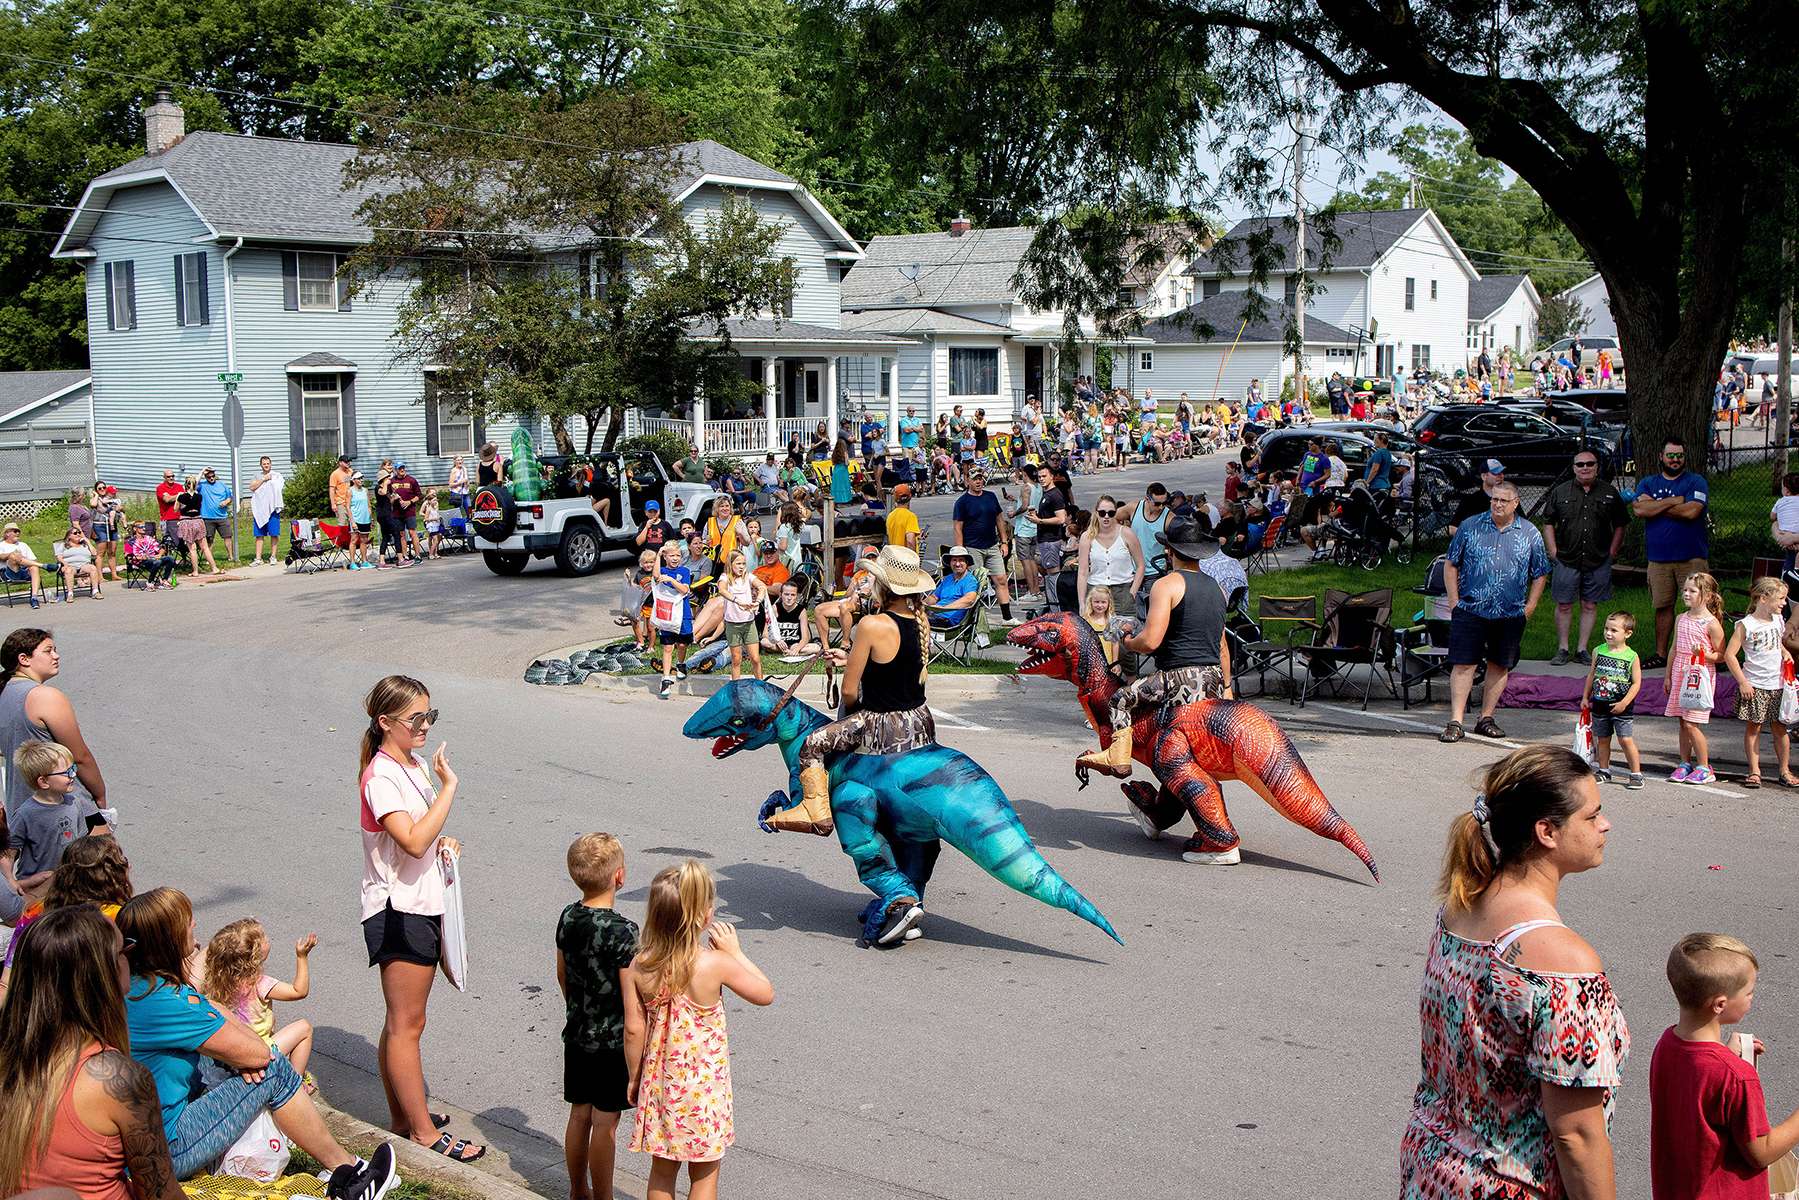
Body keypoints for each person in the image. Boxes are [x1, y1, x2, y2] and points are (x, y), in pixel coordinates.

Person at [1399, 744, 1626, 1199]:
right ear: (1547, 831)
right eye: (1591, 815)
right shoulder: (1564, 962)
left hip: (1434, 1167)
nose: (1605, 824)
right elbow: (1577, 1134)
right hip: (1510, 1185)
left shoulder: (1460, 907)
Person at [119, 889, 401, 1194]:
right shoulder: (168, 1003)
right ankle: (351, 1175)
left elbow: (202, 989)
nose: (194, 926)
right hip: (166, 1149)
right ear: (169, 939)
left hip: (133, 1142)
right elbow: (258, 1054)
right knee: (273, 1068)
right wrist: (246, 1055)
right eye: (188, 922)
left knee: (241, 1063)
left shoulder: (133, 987)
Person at [357, 676, 482, 1162]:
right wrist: (450, 787)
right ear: (385, 723)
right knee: (408, 1025)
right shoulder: (381, 776)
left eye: (430, 715)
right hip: (397, 911)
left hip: (419, 903)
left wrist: (443, 844)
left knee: (400, 1023)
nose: (425, 725)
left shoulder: (408, 765)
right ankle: (424, 1134)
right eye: (416, 719)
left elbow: (421, 839)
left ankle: (402, 1116)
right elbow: (410, 840)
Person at [0, 904, 188, 1200]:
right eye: (124, 949)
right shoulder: (117, 1079)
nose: (129, 957)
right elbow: (161, 1194)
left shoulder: (9, 1063)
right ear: (102, 972)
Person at [762, 547, 937, 853]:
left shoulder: (872, 624)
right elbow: (894, 666)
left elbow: (848, 692)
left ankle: (813, 811)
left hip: (882, 724)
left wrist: (851, 718)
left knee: (812, 744)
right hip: (918, 721)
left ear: (883, 586)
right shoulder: (921, 621)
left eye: (873, 580)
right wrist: (849, 656)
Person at [624, 861, 774, 1199]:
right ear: (701, 916)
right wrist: (736, 953)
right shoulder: (714, 964)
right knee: (704, 1176)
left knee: (661, 1173)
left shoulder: (640, 965)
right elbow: (765, 993)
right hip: (703, 1093)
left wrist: (635, 1077)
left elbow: (634, 1029)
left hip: (661, 1084)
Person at [1075, 519, 1231, 807]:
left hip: (1179, 677)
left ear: (1169, 551)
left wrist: (1127, 641)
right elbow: (1222, 646)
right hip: (1212, 678)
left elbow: (1151, 642)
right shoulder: (1217, 588)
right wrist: (1227, 688)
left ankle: (1118, 756)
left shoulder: (1167, 584)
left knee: (1121, 699)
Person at [1651, 933, 1799, 1199]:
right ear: (1720, 1004)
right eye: (1749, 992)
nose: (1752, 998)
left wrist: (1725, 1054)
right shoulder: (1736, 1076)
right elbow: (1761, 1151)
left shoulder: (1667, 1044)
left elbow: (1698, 1083)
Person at [557, 834, 640, 1200]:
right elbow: (630, 995)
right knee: (605, 1122)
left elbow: (562, 973)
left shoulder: (568, 916)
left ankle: (578, 1190)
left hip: (577, 1032)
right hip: (612, 1040)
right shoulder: (624, 932)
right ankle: (603, 1195)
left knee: (579, 1114)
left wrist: (577, 1006)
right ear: (619, 876)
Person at [1438, 482, 1549, 744]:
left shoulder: (1530, 533)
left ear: (1515, 503)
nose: (1497, 504)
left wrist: (1530, 606)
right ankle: (1456, 721)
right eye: (1494, 499)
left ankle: (1486, 718)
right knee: (1464, 664)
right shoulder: (1470, 526)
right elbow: (1451, 564)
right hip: (1470, 607)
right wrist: (1454, 601)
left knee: (1500, 664)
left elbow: (1541, 572)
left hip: (1510, 613)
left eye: (1503, 500)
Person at [2, 630, 106, 820]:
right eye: (48, 651)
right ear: (24, 659)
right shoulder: (45, 696)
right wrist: (100, 794)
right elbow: (80, 756)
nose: (56, 656)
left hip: (21, 809)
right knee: (101, 850)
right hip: (65, 806)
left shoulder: (3, 693)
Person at [201, 919, 317, 1079]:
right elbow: (299, 991)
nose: (268, 939)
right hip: (258, 1051)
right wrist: (302, 957)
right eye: (264, 938)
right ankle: (295, 1083)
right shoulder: (259, 983)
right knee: (304, 1028)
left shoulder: (215, 981)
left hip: (230, 1052)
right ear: (254, 954)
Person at [1543, 451, 1629, 666]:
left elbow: (1620, 524)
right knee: (1564, 605)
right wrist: (1553, 550)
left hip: (1598, 558)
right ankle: (1563, 648)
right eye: (1580, 464)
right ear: (1573, 467)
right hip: (1566, 558)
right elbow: (1547, 522)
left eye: (1590, 464)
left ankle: (1582, 649)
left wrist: (1612, 551)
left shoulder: (1609, 493)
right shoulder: (1560, 491)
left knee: (1590, 605)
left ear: (1597, 467)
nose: (1585, 467)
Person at [1634, 440, 1710, 668]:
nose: (1675, 460)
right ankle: (1661, 654)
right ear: (1661, 456)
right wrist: (1673, 501)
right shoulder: (1648, 482)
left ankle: (1703, 654)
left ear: (1684, 457)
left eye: (1679, 456)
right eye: (1670, 455)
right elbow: (1639, 509)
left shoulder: (1696, 481)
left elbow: (1691, 511)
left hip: (1692, 557)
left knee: (1700, 605)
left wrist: (1655, 506)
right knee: (1663, 606)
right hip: (1658, 559)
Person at [6, 742, 107, 912]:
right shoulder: (26, 814)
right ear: (44, 781)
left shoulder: (75, 802)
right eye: (67, 772)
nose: (73, 775)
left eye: (73, 768)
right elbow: (8, 852)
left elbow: (81, 843)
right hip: (38, 891)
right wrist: (11, 881)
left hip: (70, 885)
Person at [1724, 577, 1791, 789]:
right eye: (1780, 598)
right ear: (1764, 598)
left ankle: (1784, 770)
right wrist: (1743, 682)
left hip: (1778, 684)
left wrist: (1785, 651)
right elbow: (1730, 655)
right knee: (1754, 728)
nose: (1784, 603)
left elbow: (1777, 643)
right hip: (1755, 684)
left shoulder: (1778, 620)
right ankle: (1754, 771)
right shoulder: (1746, 625)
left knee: (1781, 728)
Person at [1664, 573, 1726, 785]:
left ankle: (1704, 766)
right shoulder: (1681, 618)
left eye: (1692, 591)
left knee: (1692, 723)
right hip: (1680, 672)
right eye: (1685, 590)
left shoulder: (1711, 624)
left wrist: (1703, 654)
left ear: (1707, 596)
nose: (1686, 594)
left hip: (1698, 676)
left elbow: (1721, 655)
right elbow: (1674, 648)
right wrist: (1668, 676)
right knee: (1683, 721)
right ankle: (1684, 763)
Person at [1582, 611, 1644, 790]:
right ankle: (1604, 770)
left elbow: (1636, 683)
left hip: (1622, 706)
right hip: (1600, 703)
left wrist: (1625, 702)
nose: (1608, 633)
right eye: (1606, 629)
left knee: (1625, 739)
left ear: (1628, 633)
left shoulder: (1631, 656)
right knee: (1602, 739)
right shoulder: (1598, 651)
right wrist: (1586, 697)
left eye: (1614, 630)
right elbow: (1592, 675)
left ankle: (1636, 773)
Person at [953, 469, 1012, 620]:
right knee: (976, 584)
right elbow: (958, 527)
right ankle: (975, 619)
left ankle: (1007, 617)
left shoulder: (990, 497)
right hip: (972, 547)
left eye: (981, 478)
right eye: (975, 479)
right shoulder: (962, 502)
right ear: (968, 481)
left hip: (992, 545)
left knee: (1001, 579)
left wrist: (1004, 542)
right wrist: (960, 552)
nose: (979, 482)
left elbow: (999, 520)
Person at [1075, 495, 1145, 621]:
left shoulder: (1127, 533)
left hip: (1123, 591)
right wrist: (1082, 603)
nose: (1106, 516)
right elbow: (1082, 572)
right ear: (1096, 513)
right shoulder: (1087, 537)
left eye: (1111, 513)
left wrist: (1132, 592)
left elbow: (1140, 565)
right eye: (1102, 513)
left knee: (1124, 634)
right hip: (1096, 591)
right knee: (1097, 635)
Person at [718, 550, 770, 682]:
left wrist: (757, 601)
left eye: (744, 563)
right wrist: (737, 601)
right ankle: (736, 688)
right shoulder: (725, 577)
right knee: (736, 659)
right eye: (738, 563)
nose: (741, 567)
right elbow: (722, 590)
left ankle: (760, 685)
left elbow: (762, 586)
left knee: (755, 658)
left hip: (748, 623)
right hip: (732, 624)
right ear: (731, 564)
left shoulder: (748, 576)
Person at [1020, 466, 1069, 605]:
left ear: (1052, 476)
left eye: (1044, 476)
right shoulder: (1046, 493)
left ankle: (1056, 604)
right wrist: (1037, 516)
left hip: (1051, 540)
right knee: (1048, 572)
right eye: (1039, 476)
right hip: (1044, 539)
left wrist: (1039, 520)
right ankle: (1052, 603)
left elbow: (1061, 519)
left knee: (1053, 574)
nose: (1041, 479)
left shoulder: (1055, 494)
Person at [653, 542, 695, 698]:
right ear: (665, 557)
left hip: (682, 613)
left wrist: (670, 580)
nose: (675, 558)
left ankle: (680, 663)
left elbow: (684, 589)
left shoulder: (684, 571)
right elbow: (656, 576)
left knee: (683, 644)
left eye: (678, 555)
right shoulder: (662, 570)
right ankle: (665, 679)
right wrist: (657, 555)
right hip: (667, 614)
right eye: (671, 555)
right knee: (668, 647)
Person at [927, 547, 981, 628]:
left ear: (967, 563)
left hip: (948, 620)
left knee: (911, 624)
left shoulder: (970, 580)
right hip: (934, 615)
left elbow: (969, 599)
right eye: (954, 560)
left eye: (961, 560)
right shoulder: (948, 578)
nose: (957, 564)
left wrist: (943, 608)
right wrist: (921, 603)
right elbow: (934, 597)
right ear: (950, 563)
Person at [248, 455, 285, 566]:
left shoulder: (276, 475)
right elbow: (252, 487)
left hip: (273, 508)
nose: (266, 465)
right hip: (260, 509)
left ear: (270, 464)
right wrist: (263, 479)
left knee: (274, 533)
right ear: (261, 465)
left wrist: (271, 480)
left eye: (268, 463)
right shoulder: (257, 476)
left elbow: (279, 486)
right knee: (259, 535)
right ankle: (258, 558)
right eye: (264, 464)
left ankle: (273, 556)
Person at [175, 475, 214, 577]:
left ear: (186, 484)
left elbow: (176, 509)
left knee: (192, 548)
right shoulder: (199, 496)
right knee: (204, 547)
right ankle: (214, 567)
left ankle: (195, 571)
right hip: (198, 520)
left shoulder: (181, 496)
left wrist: (177, 498)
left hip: (187, 522)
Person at [1, 522, 47, 608]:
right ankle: (44, 566)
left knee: (34, 567)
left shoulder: (23, 545)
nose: (18, 533)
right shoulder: (1, 545)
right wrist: (12, 555)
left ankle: (34, 598)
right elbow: (1, 556)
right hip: (9, 573)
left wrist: (23, 560)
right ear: (7, 533)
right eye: (15, 531)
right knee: (14, 555)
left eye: (18, 531)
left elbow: (33, 560)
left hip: (24, 571)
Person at [196, 467, 233, 562]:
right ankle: (209, 559)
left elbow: (230, 497)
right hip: (207, 517)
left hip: (222, 516)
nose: (211, 478)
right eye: (209, 477)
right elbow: (194, 483)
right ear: (205, 477)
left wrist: (226, 501)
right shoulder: (202, 486)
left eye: (213, 476)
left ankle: (231, 556)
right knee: (209, 539)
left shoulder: (222, 485)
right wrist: (202, 471)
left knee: (227, 537)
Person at [124, 524, 176, 590]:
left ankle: (164, 580)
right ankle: (150, 582)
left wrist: (159, 554)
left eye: (144, 527)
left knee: (170, 559)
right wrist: (140, 557)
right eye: (141, 527)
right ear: (135, 529)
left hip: (153, 558)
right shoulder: (130, 541)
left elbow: (162, 549)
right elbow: (128, 556)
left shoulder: (149, 538)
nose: (144, 528)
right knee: (157, 562)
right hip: (140, 562)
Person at [56, 526, 102, 602]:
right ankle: (70, 594)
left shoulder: (84, 545)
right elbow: (59, 557)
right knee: (69, 570)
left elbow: (94, 554)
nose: (78, 534)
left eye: (79, 533)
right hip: (70, 566)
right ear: (69, 536)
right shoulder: (63, 545)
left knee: (93, 568)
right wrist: (65, 564)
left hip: (84, 566)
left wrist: (88, 542)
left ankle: (95, 591)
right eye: (75, 533)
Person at [389, 463, 424, 563]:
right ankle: (405, 556)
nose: (402, 470)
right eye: (400, 468)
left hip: (409, 511)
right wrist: (393, 498)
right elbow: (389, 497)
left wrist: (409, 502)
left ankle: (418, 556)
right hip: (397, 512)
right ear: (396, 470)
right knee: (401, 534)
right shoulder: (392, 481)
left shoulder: (411, 480)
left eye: (403, 468)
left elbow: (419, 496)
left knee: (412, 532)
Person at [347, 472, 374, 568]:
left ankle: (364, 561)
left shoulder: (365, 490)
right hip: (355, 519)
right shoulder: (350, 491)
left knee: (364, 540)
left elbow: (369, 505)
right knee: (354, 540)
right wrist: (352, 521)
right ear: (353, 480)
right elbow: (348, 507)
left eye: (362, 478)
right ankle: (353, 563)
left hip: (365, 519)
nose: (361, 480)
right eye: (358, 478)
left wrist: (370, 518)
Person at [155, 468, 185, 549]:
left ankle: (185, 559)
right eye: (168, 477)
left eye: (172, 476)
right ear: (164, 477)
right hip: (168, 519)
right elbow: (167, 500)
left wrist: (172, 496)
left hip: (181, 518)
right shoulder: (160, 488)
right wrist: (179, 495)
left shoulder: (179, 486)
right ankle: (167, 559)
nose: (171, 478)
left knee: (183, 541)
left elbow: (184, 499)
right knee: (169, 542)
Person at [885, 483, 920, 550]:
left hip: (895, 556)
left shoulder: (890, 516)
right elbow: (910, 541)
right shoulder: (910, 516)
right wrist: (912, 557)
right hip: (905, 557)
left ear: (895, 498)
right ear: (910, 497)